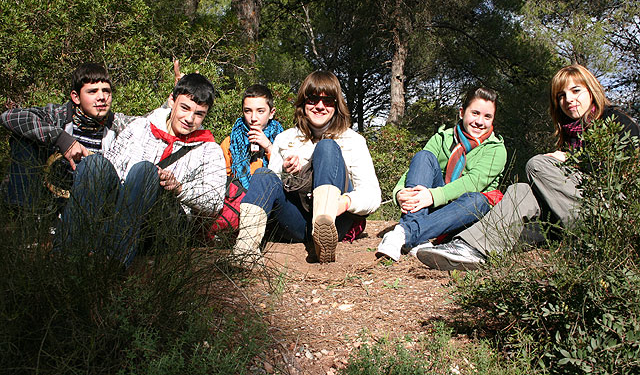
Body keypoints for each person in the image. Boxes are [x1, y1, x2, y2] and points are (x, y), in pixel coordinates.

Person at [417, 64, 640, 271]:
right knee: (520, 191)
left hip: (606, 214)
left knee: (537, 164)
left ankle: (592, 239)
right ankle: (469, 248)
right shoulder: (570, 132)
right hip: (567, 217)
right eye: (561, 95)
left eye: (576, 91)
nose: (568, 99)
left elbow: (626, 172)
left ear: (591, 90)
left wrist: (573, 159)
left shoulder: (616, 121)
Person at [58, 73, 226, 267]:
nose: (190, 119)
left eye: (199, 114)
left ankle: (113, 263)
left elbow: (214, 202)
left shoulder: (209, 150)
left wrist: (180, 188)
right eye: (185, 108)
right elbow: (110, 167)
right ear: (172, 101)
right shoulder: (139, 128)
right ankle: (65, 255)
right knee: (95, 163)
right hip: (121, 212)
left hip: (162, 225)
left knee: (146, 171)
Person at [230, 71, 381, 264]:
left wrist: (343, 203)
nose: (320, 106)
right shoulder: (284, 138)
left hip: (337, 220)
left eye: (328, 101)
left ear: (337, 105)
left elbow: (372, 196)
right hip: (297, 220)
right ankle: (244, 250)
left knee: (327, 147)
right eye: (313, 99)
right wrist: (285, 172)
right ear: (303, 102)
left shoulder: (353, 140)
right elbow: (270, 187)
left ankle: (323, 232)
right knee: (263, 174)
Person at [375, 88, 507, 262]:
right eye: (475, 113)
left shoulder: (496, 149)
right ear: (462, 112)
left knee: (478, 200)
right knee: (424, 157)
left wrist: (433, 195)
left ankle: (403, 233)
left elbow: (474, 182)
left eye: (487, 116)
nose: (480, 122)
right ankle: (417, 237)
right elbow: (416, 169)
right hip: (433, 207)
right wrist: (399, 192)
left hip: (465, 212)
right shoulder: (442, 138)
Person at [0, 62, 135, 208]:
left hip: (96, 203)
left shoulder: (118, 124)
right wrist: (62, 140)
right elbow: (9, 117)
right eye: (92, 91)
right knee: (23, 139)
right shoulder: (58, 116)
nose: (102, 97)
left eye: (106, 91)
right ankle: (21, 213)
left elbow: (149, 122)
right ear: (76, 97)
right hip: (48, 197)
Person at [220, 84, 283, 189]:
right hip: (240, 197)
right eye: (248, 111)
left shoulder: (283, 140)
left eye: (260, 111)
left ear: (271, 113)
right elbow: (221, 180)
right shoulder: (231, 143)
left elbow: (287, 176)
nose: (253, 118)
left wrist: (268, 147)